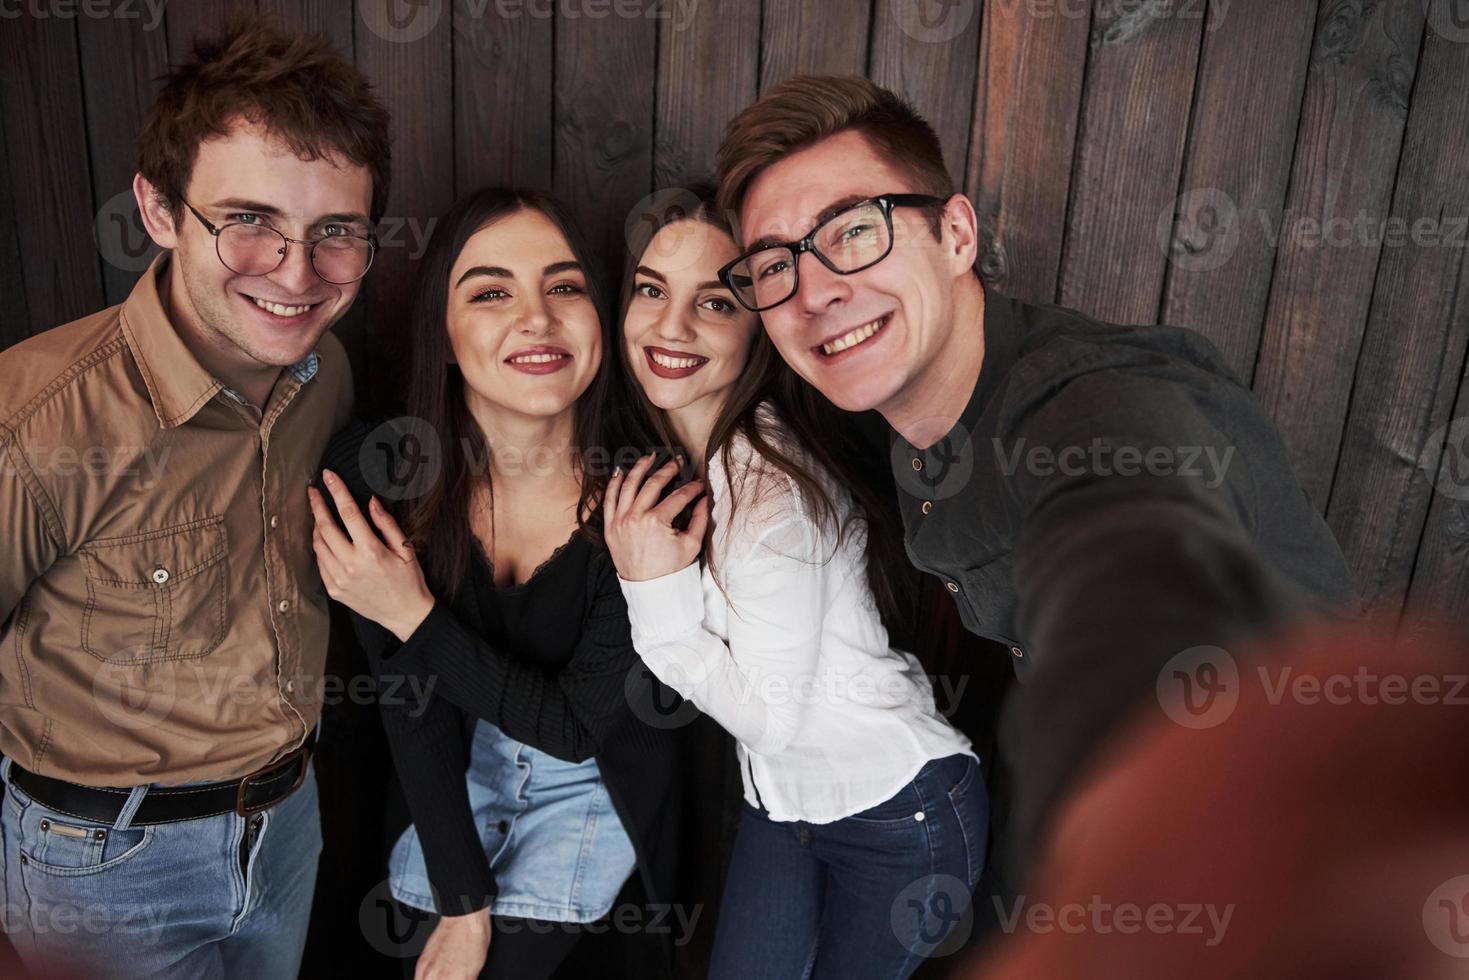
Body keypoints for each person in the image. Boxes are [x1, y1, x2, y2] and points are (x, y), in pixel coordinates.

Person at [712, 75, 1357, 873]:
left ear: (955, 236)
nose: (814, 291)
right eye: (774, 266)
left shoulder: (1094, 403)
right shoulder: (889, 401)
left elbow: (1139, 540)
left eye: (852, 231)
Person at [0, 15, 387, 979]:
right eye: (248, 221)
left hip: (289, 830)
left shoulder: (323, 371)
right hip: (99, 869)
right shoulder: (32, 425)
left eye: (334, 231)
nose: (296, 275)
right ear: (161, 211)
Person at [603, 185, 985, 979]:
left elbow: (771, 718)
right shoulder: (694, 461)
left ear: (758, 331)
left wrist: (655, 595)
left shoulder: (769, 494)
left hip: (899, 814)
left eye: (713, 303)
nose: (669, 328)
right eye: (650, 290)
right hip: (784, 807)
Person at [310, 188, 683, 980]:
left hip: (596, 789)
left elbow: (581, 729)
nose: (537, 319)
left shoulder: (643, 495)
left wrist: (410, 613)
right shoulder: (379, 472)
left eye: (564, 286)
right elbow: (413, 714)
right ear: (442, 335)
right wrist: (462, 902)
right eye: (490, 292)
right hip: (447, 778)